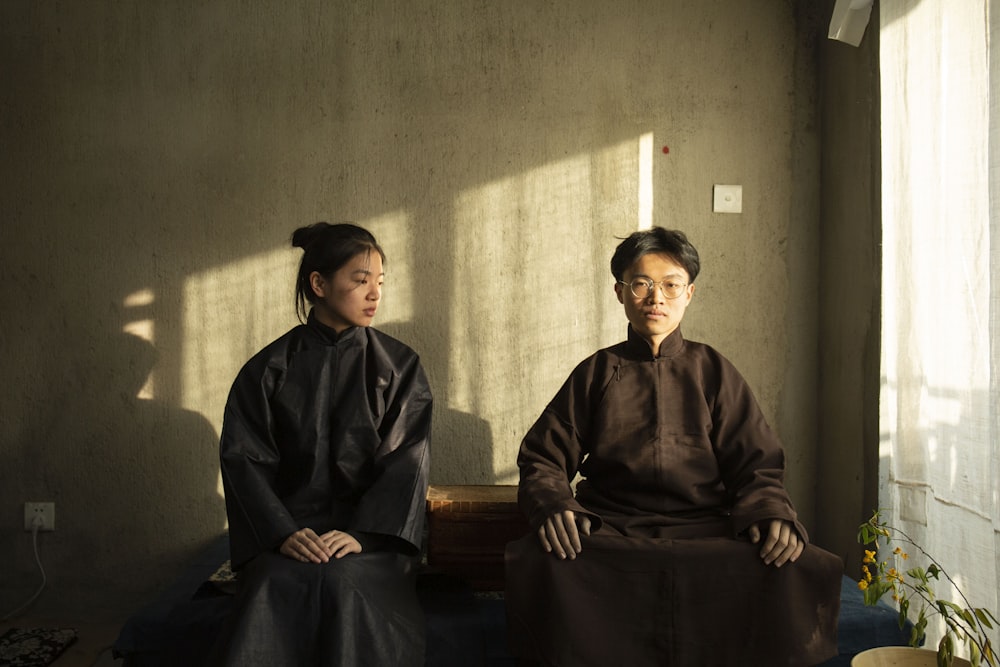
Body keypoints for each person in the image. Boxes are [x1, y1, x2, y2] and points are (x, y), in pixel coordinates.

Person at [505, 227, 842, 666]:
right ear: (620, 292)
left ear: (689, 293)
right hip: (613, 529)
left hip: (705, 529)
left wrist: (770, 512)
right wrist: (554, 505)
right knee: (546, 559)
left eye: (670, 285)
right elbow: (543, 457)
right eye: (642, 284)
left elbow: (757, 465)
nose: (655, 298)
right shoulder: (596, 372)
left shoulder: (713, 370)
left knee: (788, 562)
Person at [210, 222, 432, 666]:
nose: (375, 294)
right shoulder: (268, 368)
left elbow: (407, 461)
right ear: (319, 284)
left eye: (380, 282)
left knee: (344, 582)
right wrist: (283, 533)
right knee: (275, 585)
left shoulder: (400, 366)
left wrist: (362, 535)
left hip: (369, 537)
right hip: (287, 534)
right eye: (360, 280)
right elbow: (244, 461)